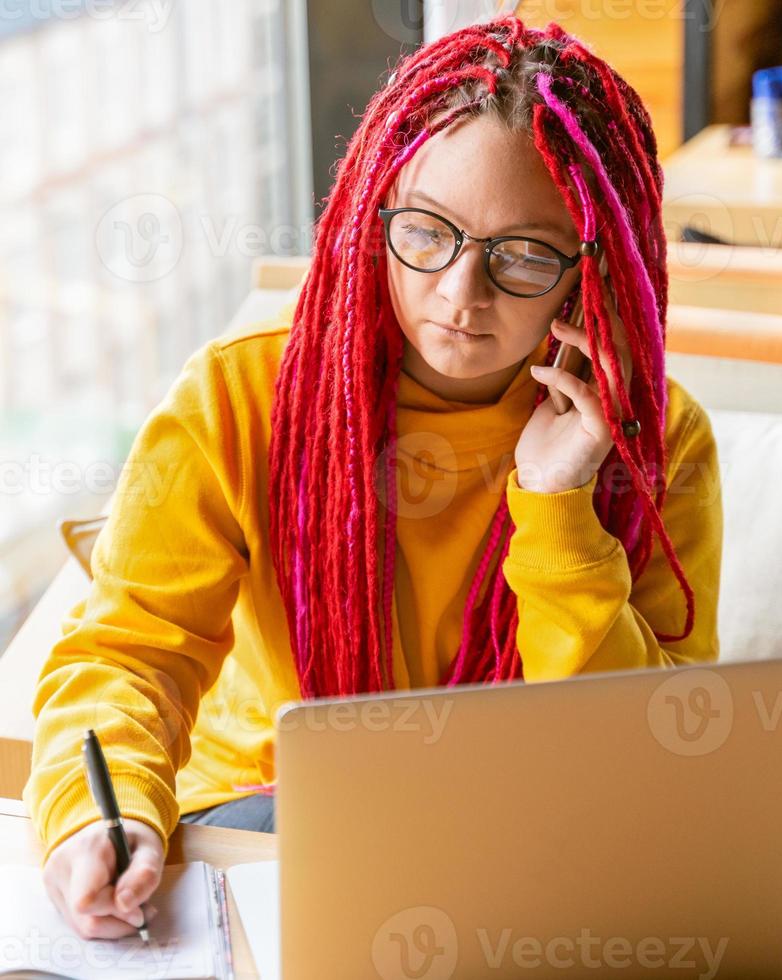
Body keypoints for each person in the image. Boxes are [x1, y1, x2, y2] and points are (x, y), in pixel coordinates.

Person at [24, 13, 723, 941]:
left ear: (587, 269)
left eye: (522, 256)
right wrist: (97, 812)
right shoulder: (238, 393)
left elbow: (650, 764)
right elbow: (130, 651)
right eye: (428, 232)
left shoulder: (656, 439)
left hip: (531, 845)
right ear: (373, 207)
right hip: (264, 823)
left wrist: (560, 510)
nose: (459, 293)